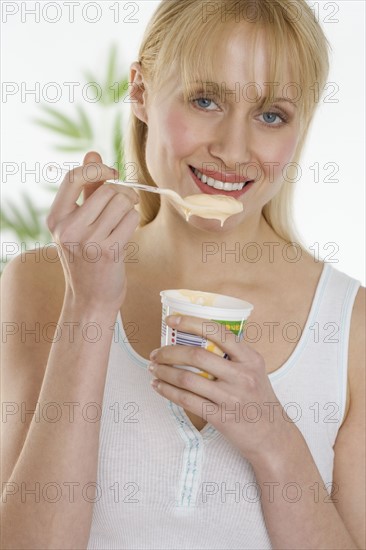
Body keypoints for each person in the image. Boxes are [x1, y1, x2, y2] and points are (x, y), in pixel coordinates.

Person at [1, 0, 364, 549]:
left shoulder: (351, 326)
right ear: (142, 92)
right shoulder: (43, 283)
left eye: (271, 115)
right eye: (205, 99)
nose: (233, 150)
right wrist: (90, 308)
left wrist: (274, 441)